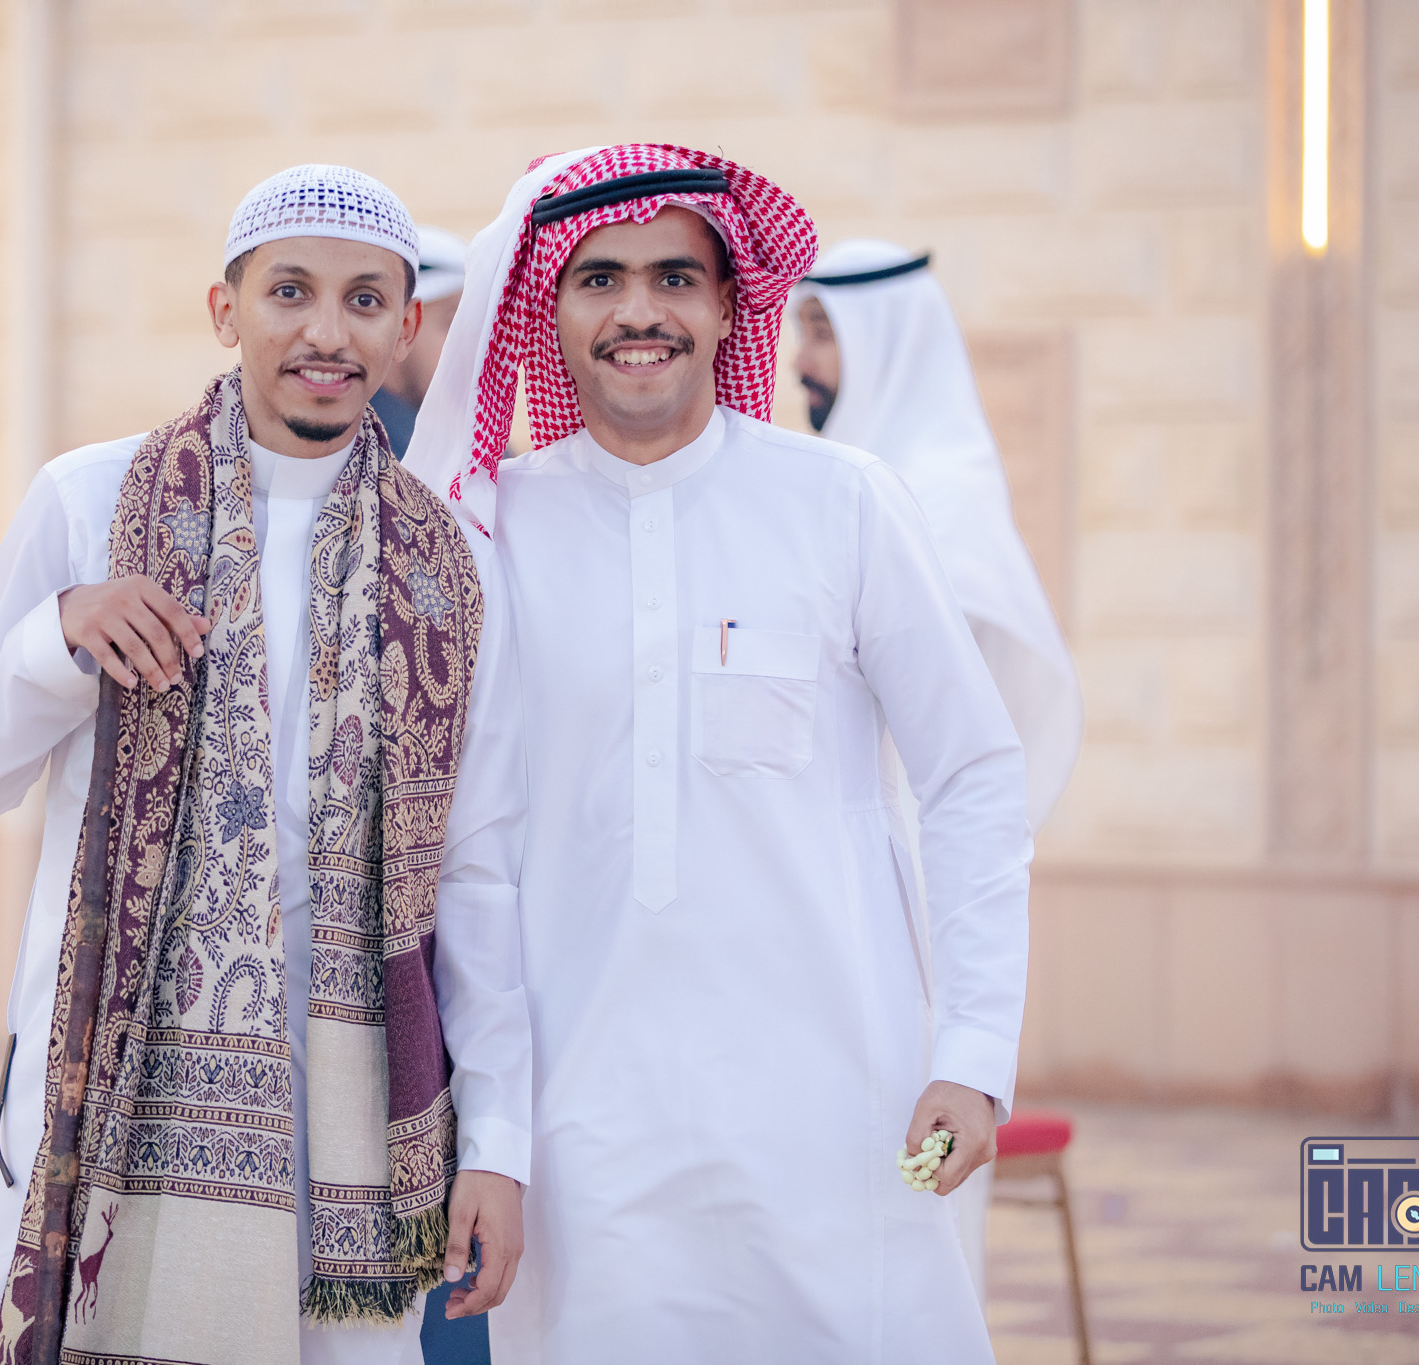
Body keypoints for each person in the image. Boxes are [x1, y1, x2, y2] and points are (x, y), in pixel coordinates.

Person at [404, 145, 1032, 1362]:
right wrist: (495, 1137)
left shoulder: (841, 502)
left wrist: (971, 1053)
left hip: (838, 1107)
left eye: (673, 278)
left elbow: (969, 774)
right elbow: (475, 863)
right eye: (598, 279)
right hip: (586, 1131)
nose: (637, 311)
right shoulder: (491, 531)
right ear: (546, 308)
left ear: (730, 305)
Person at [0, 164, 530, 1365]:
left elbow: (476, 870)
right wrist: (57, 635)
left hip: (353, 1119)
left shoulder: (451, 563)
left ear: (406, 328)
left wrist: (498, 1141)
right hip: (110, 1091)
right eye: (288, 292)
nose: (325, 332)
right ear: (224, 309)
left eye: (363, 301)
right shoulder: (91, 501)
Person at [792, 241, 1086, 1302]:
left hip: (915, 903)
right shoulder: (836, 487)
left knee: (914, 1226)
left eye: (822, 333)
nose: (801, 361)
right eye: (801, 330)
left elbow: (964, 751)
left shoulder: (939, 500)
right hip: (822, 902)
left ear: (885, 341)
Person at [370, 226, 466, 457]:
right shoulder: (353, 451)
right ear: (402, 328)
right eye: (454, 324)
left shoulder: (468, 438)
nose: (474, 350)